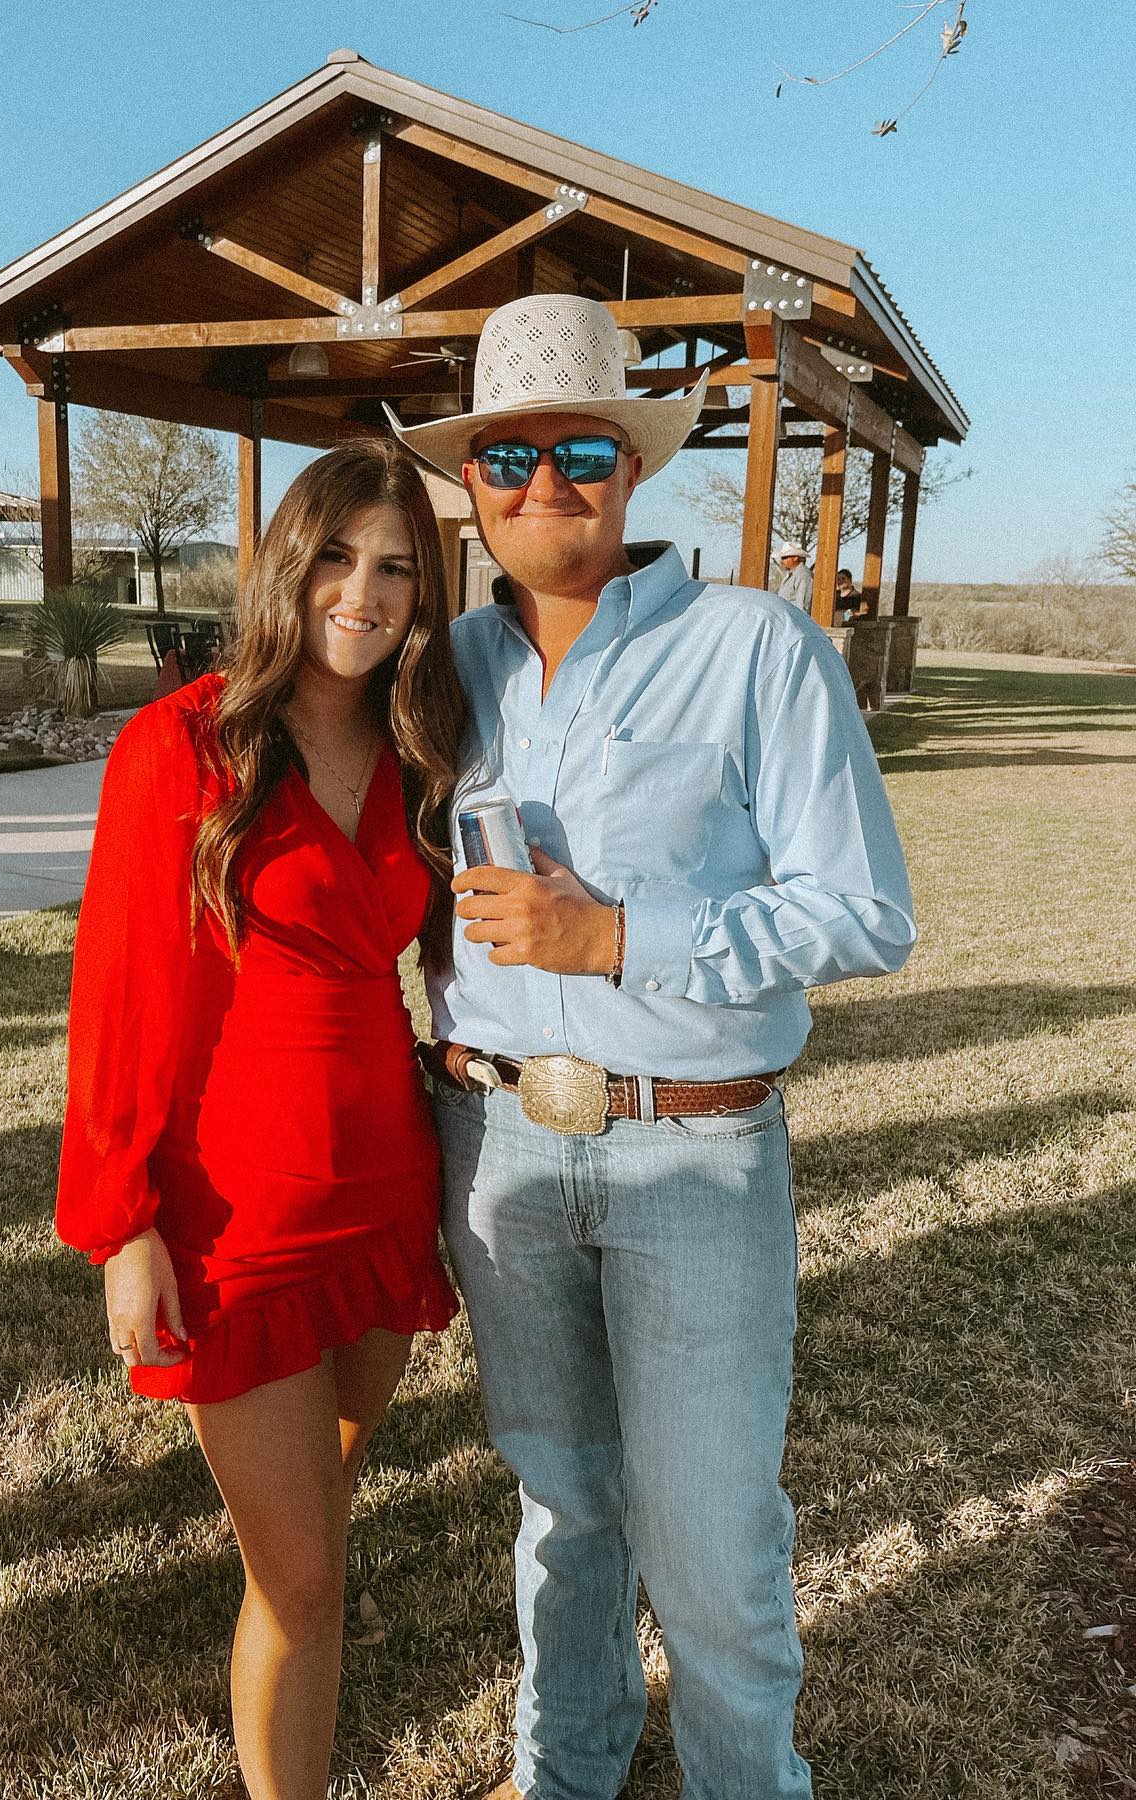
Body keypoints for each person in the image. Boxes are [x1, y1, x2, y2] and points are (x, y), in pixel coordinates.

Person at [386, 294, 916, 1800]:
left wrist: (620, 938)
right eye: (506, 459)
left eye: (579, 452)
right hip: (493, 1142)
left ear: (633, 468)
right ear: (470, 485)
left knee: (709, 1536)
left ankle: (751, 1783)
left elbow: (866, 913)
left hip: (693, 1138)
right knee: (562, 1506)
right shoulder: (446, 670)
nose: (542, 485)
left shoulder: (755, 645)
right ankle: (567, 1774)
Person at [55, 438, 466, 1800]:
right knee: (303, 1581)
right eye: (340, 555)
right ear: (291, 563)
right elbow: (123, 1000)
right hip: (240, 1212)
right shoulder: (178, 745)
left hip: (386, 1188)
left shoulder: (423, 744)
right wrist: (123, 1225)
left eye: (399, 566)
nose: (366, 590)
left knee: (319, 1542)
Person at [775, 539, 814, 613]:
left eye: (785, 558)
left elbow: (803, 606)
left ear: (795, 558)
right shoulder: (789, 574)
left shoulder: (803, 575)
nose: (782, 561)